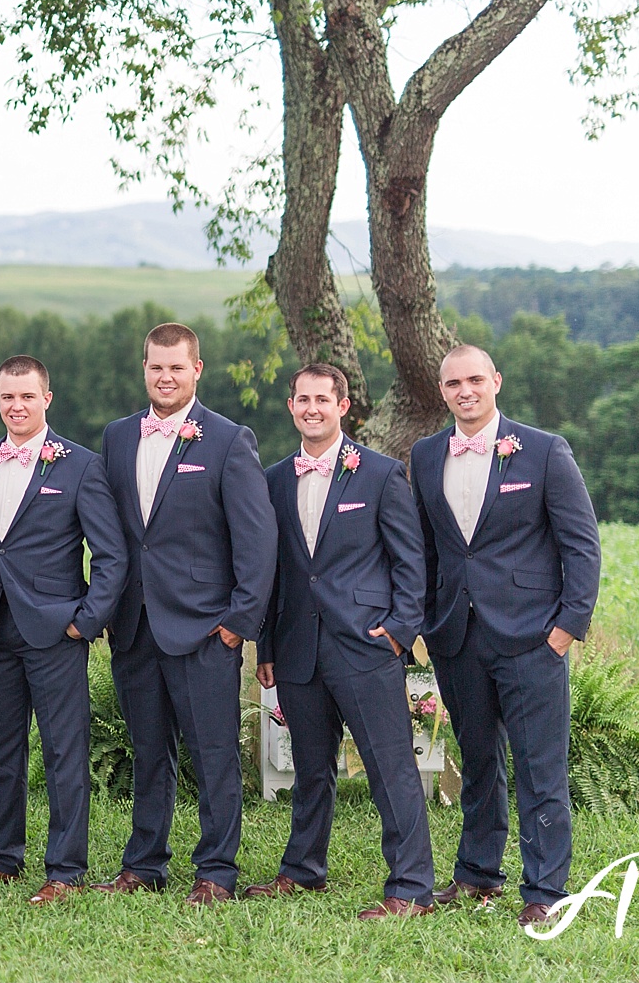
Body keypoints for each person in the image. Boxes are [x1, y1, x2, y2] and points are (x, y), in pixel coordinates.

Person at [410, 344, 601, 928]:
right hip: (457, 637)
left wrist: (566, 631)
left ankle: (544, 889)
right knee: (477, 761)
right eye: (452, 383)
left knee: (540, 769)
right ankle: (476, 873)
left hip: (533, 639)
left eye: (474, 380)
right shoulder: (423, 456)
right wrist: (424, 622)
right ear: (441, 392)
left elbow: (581, 544)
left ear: (496, 381)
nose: (465, 391)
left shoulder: (544, 451)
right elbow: (420, 549)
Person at [96, 322, 275, 904]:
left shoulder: (228, 440)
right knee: (149, 751)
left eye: (176, 367)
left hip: (204, 628)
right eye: (155, 367)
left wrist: (237, 625)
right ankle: (145, 863)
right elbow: (122, 537)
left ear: (198, 369)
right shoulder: (118, 438)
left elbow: (257, 541)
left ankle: (216, 871)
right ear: (143, 369)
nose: (165, 376)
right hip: (135, 625)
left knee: (214, 755)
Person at [250, 364, 436, 919]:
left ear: (343, 405)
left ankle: (410, 887)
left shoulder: (379, 474)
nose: (312, 408)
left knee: (390, 767)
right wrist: (266, 645)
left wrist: (400, 632)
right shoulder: (274, 479)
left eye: (322, 400)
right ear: (291, 407)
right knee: (310, 768)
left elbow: (411, 561)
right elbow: (273, 571)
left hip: (365, 646)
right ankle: (303, 870)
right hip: (296, 646)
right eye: (301, 399)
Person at [0, 355, 126, 904]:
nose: (16, 406)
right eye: (7, 397)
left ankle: (65, 870)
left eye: (26, 396)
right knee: (2, 750)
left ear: (46, 399)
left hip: (56, 631)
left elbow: (112, 555)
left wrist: (85, 621)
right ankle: (0, 858)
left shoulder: (79, 465)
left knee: (63, 752)